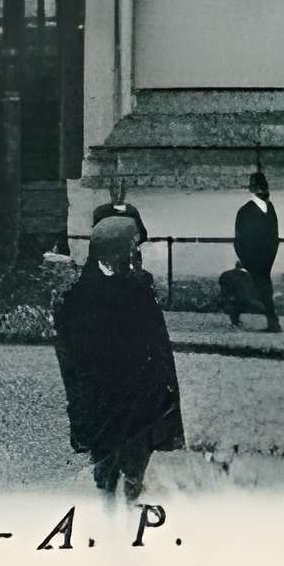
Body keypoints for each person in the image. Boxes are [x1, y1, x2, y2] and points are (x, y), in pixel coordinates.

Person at [55, 214, 184, 504]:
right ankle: (109, 512)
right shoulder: (78, 299)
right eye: (129, 248)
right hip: (101, 397)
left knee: (136, 461)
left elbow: (159, 345)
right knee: (105, 468)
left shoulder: (140, 291)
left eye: (134, 249)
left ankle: (131, 498)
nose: (134, 256)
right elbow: (70, 358)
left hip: (140, 396)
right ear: (109, 250)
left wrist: (165, 389)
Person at [228, 170, 282, 333]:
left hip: (259, 260)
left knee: (254, 288)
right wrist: (255, 260)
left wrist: (252, 260)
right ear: (256, 189)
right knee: (261, 289)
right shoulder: (259, 210)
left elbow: (273, 237)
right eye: (261, 187)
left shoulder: (255, 210)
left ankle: (238, 317)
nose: (264, 191)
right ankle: (272, 322)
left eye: (264, 187)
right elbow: (241, 240)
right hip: (259, 260)